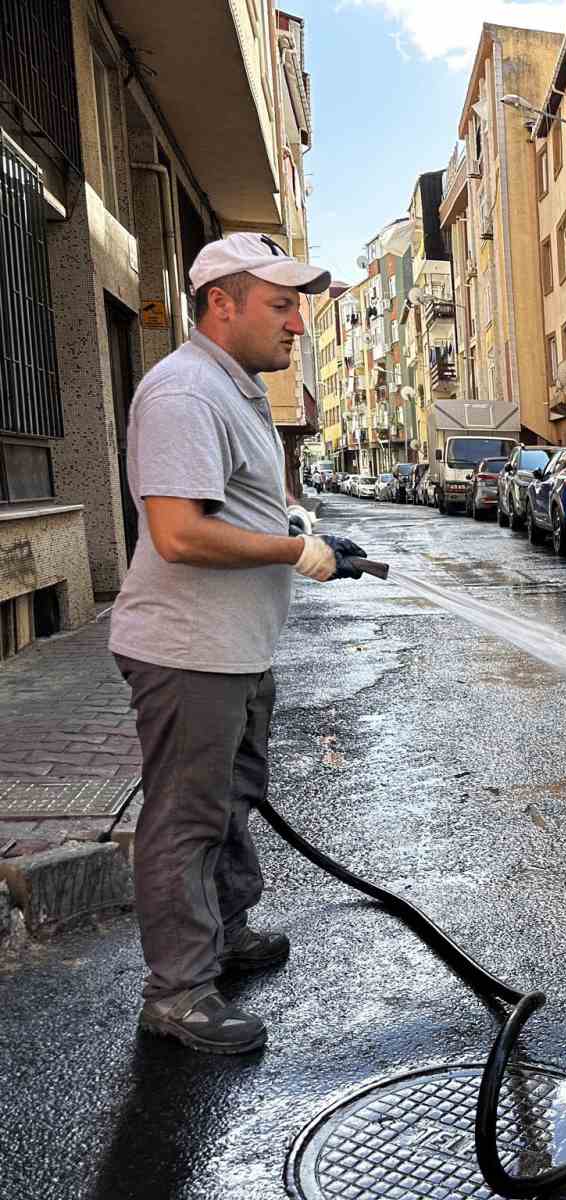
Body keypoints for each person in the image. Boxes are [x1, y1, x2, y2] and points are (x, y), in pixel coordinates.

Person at [109, 233, 368, 1055]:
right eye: (282, 304)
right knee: (186, 817)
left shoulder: (237, 391)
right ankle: (179, 992)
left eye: (298, 307)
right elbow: (181, 533)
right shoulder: (184, 392)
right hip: (188, 650)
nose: (298, 324)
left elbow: (240, 504)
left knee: (230, 797)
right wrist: (295, 551)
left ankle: (224, 933)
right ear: (222, 302)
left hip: (235, 647)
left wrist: (294, 525)